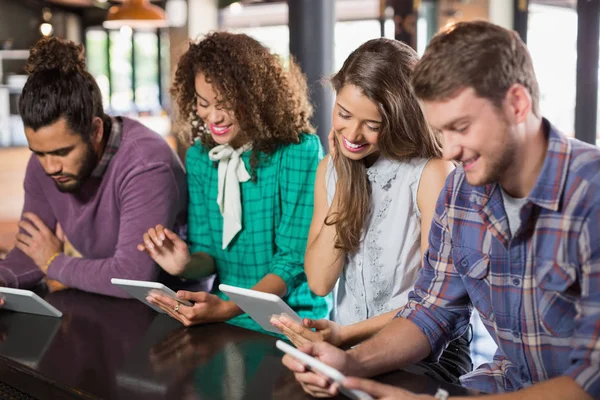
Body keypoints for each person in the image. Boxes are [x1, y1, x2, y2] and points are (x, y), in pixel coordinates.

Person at [282, 21, 600, 400]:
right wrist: (350, 363)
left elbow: (592, 377)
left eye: (460, 127)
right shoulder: (461, 192)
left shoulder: (590, 194)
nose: (448, 150)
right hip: (503, 383)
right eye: (440, 131)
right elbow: (430, 310)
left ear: (517, 104)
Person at [269, 38, 471, 384]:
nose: (352, 133)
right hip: (347, 345)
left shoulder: (432, 172)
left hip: (424, 351)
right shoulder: (329, 169)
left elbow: (435, 304)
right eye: (344, 114)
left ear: (399, 119)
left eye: (372, 125)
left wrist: (346, 337)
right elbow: (319, 282)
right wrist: (345, 184)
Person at [138, 32, 331, 333]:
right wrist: (184, 264)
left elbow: (292, 262)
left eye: (225, 104)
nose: (213, 117)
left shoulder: (299, 152)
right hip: (225, 317)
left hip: (292, 322)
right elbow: (208, 255)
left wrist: (228, 308)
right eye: (204, 103)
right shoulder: (202, 158)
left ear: (255, 97)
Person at [0, 37, 186, 298]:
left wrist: (54, 263)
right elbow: (33, 251)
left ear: (96, 130)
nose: (50, 167)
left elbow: (133, 276)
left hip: (173, 306)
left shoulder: (146, 164)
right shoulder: (42, 165)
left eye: (62, 152)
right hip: (100, 299)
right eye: (39, 153)